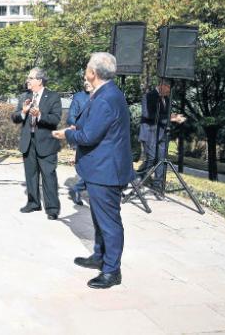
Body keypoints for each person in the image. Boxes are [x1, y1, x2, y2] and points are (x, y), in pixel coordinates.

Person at [52, 52, 135, 289]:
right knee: (99, 219)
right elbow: (96, 127)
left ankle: (111, 271)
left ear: (93, 73)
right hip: (100, 169)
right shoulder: (106, 93)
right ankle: (100, 256)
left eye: (87, 67)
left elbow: (89, 137)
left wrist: (67, 133)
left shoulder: (106, 98)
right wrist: (77, 126)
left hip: (106, 171)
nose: (85, 71)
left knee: (109, 222)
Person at [11, 67, 63, 220]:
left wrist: (40, 115)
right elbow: (15, 117)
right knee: (31, 175)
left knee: (49, 176)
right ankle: (33, 203)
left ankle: (52, 209)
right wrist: (24, 112)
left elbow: (55, 119)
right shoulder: (24, 97)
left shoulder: (53, 97)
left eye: (31, 78)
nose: (27, 80)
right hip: (28, 142)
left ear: (39, 81)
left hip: (46, 143)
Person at [137, 81, 186, 189]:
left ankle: (157, 186)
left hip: (162, 133)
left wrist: (174, 116)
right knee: (151, 158)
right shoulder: (148, 96)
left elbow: (165, 114)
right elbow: (147, 114)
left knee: (161, 159)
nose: (169, 92)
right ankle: (139, 177)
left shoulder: (167, 99)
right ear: (162, 85)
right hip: (150, 133)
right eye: (169, 89)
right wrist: (171, 118)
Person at [66, 79, 93, 206]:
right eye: (84, 80)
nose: (86, 83)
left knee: (96, 166)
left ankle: (78, 189)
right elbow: (71, 115)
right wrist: (73, 124)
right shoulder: (79, 97)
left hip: (100, 136)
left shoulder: (102, 95)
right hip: (83, 136)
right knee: (90, 166)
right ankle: (78, 189)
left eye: (89, 80)